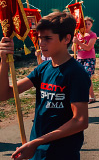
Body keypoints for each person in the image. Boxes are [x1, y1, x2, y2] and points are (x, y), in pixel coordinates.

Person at [0, 11, 91, 159]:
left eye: (47, 38)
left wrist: (37, 142)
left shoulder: (76, 73)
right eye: (39, 38)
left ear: (67, 38)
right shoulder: (43, 68)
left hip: (62, 154)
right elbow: (4, 94)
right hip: (37, 152)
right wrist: (4, 60)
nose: (41, 43)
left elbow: (80, 121)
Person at [73, 16, 97, 103]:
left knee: (87, 77)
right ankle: (90, 95)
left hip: (89, 58)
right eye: (85, 24)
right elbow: (73, 49)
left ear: (91, 25)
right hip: (79, 59)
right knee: (81, 78)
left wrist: (78, 42)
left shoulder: (92, 35)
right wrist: (74, 42)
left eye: (89, 24)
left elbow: (88, 48)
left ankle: (90, 95)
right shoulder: (78, 34)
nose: (87, 25)